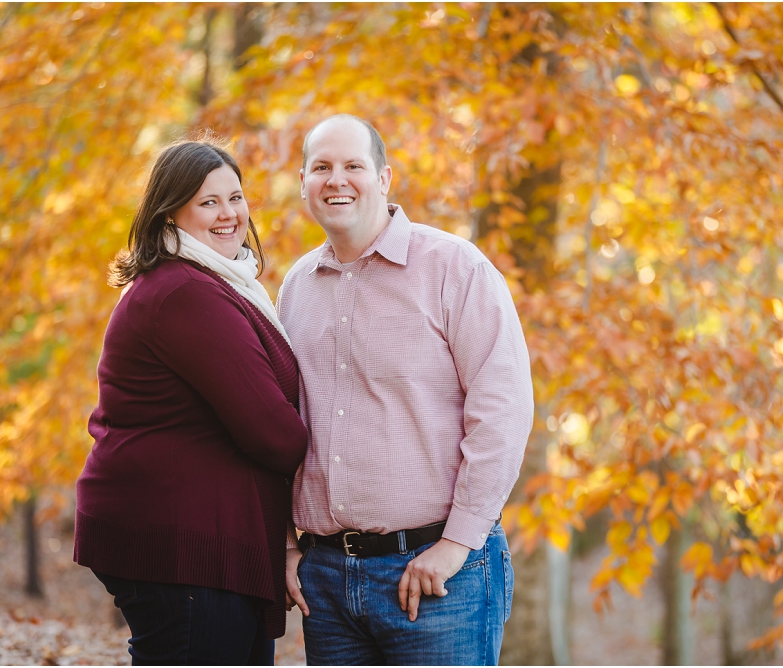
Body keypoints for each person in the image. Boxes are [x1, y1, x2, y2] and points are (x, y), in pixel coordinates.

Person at [275, 114, 534, 665]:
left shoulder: (453, 268)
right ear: (303, 184)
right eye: (320, 167)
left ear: (385, 177)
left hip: (439, 575)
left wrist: (456, 544)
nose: (336, 180)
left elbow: (503, 409)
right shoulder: (296, 288)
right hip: (326, 580)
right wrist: (290, 545)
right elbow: (281, 424)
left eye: (353, 166)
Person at [74, 139, 308, 665]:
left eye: (236, 197)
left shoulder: (211, 282)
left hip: (204, 532)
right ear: (170, 212)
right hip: (181, 538)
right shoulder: (186, 294)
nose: (229, 215)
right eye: (208, 202)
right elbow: (273, 432)